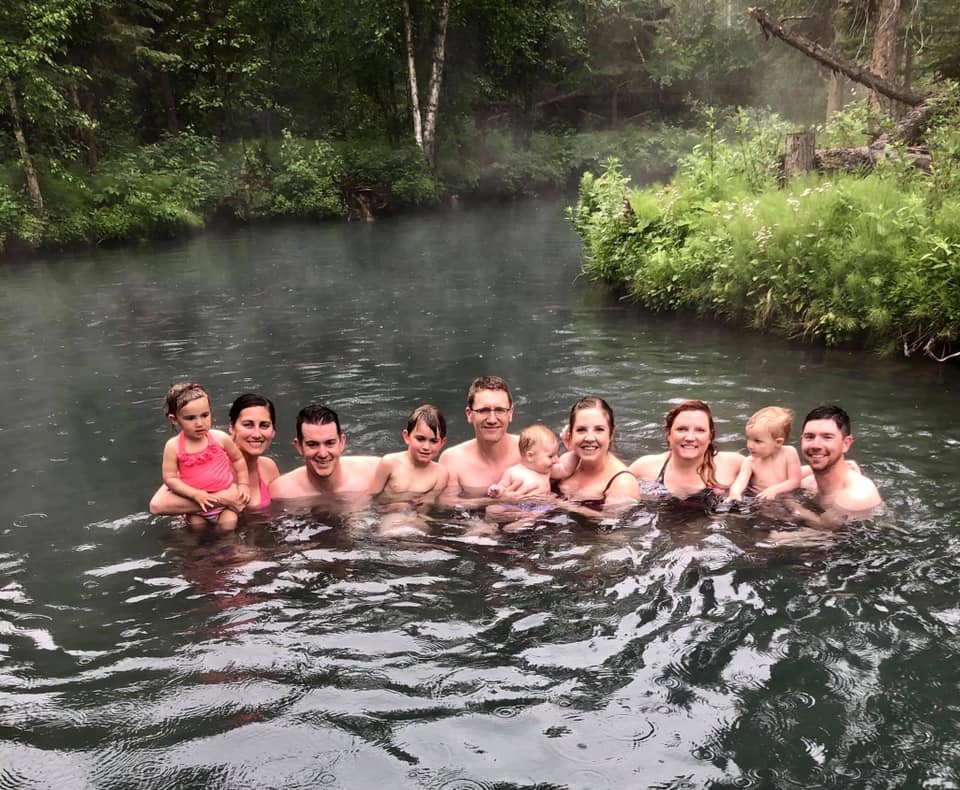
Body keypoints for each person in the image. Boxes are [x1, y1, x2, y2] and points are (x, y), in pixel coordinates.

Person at [150, 393, 280, 516]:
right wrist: (223, 499)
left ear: (273, 431)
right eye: (248, 425)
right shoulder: (206, 462)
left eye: (264, 425)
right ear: (232, 428)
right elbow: (157, 506)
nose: (257, 434)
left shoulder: (268, 467)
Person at [159, 382, 249, 532]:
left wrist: (244, 485)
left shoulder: (220, 438)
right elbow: (170, 478)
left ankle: (230, 552)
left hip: (225, 507)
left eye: (205, 415)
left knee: (228, 529)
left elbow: (238, 460)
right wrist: (194, 494)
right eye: (190, 418)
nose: (199, 423)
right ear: (174, 419)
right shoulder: (173, 446)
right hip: (196, 508)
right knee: (197, 531)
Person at [630, 400, 743, 502]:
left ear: (710, 436)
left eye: (700, 430)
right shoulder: (644, 468)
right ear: (668, 433)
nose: (690, 437)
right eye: (682, 429)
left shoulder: (734, 464)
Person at [269, 404, 379, 499]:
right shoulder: (281, 492)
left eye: (330, 443)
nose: (323, 454)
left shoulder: (373, 473)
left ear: (342, 442)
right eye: (312, 444)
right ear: (299, 446)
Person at [797, 404, 882, 521]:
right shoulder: (807, 483)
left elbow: (828, 534)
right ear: (802, 440)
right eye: (809, 437)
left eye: (827, 437)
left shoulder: (857, 496)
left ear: (846, 443)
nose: (815, 445)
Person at [553, 397, 640, 511]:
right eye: (581, 430)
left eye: (599, 429)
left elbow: (613, 522)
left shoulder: (622, 483)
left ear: (611, 434)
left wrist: (558, 502)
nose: (589, 438)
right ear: (571, 434)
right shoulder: (566, 463)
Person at [440, 376, 521, 495]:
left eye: (500, 410)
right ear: (469, 414)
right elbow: (447, 504)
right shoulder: (453, 460)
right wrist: (500, 501)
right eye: (483, 410)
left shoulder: (531, 450)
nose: (492, 419)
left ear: (510, 413)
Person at [368, 404, 450, 501]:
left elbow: (427, 505)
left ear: (442, 443)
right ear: (407, 437)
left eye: (433, 441)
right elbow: (370, 498)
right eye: (420, 439)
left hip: (415, 515)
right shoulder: (389, 463)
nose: (426, 447)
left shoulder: (440, 474)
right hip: (386, 513)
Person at [726, 406, 802, 501]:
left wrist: (774, 490)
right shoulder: (750, 461)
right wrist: (735, 493)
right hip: (760, 500)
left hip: (786, 497)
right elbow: (740, 481)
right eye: (748, 439)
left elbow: (795, 481)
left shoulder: (789, 453)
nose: (750, 445)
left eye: (757, 441)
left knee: (797, 511)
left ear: (778, 442)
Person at [487, 424, 561, 500]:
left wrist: (573, 455)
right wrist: (497, 490)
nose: (556, 460)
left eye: (556, 454)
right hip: (518, 505)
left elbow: (565, 470)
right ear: (530, 456)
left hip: (543, 505)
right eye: (550, 456)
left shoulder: (546, 471)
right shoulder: (513, 471)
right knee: (492, 509)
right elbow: (503, 485)